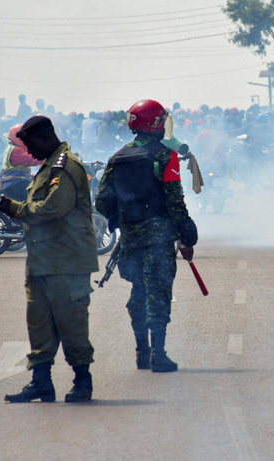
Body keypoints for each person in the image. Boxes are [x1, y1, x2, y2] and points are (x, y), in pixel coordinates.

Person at [0, 116, 99, 403]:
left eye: (30, 147)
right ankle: (41, 382)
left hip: (67, 262)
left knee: (71, 323)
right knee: (39, 323)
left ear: (44, 138)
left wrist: (15, 208)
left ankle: (82, 381)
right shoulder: (48, 167)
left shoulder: (65, 167)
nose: (29, 154)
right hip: (43, 260)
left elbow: (52, 207)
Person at [95, 99, 198, 373]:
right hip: (159, 239)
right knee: (158, 295)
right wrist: (186, 231)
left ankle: (142, 352)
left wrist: (123, 218)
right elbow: (174, 200)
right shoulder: (165, 156)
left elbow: (101, 202)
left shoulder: (117, 158)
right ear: (155, 124)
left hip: (130, 240)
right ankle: (158, 354)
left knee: (138, 294)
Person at [0, 124, 42, 201]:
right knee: (34, 199)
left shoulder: (11, 148)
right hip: (16, 184)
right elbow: (31, 160)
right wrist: (47, 156)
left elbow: (19, 171)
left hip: (13, 183)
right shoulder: (17, 151)